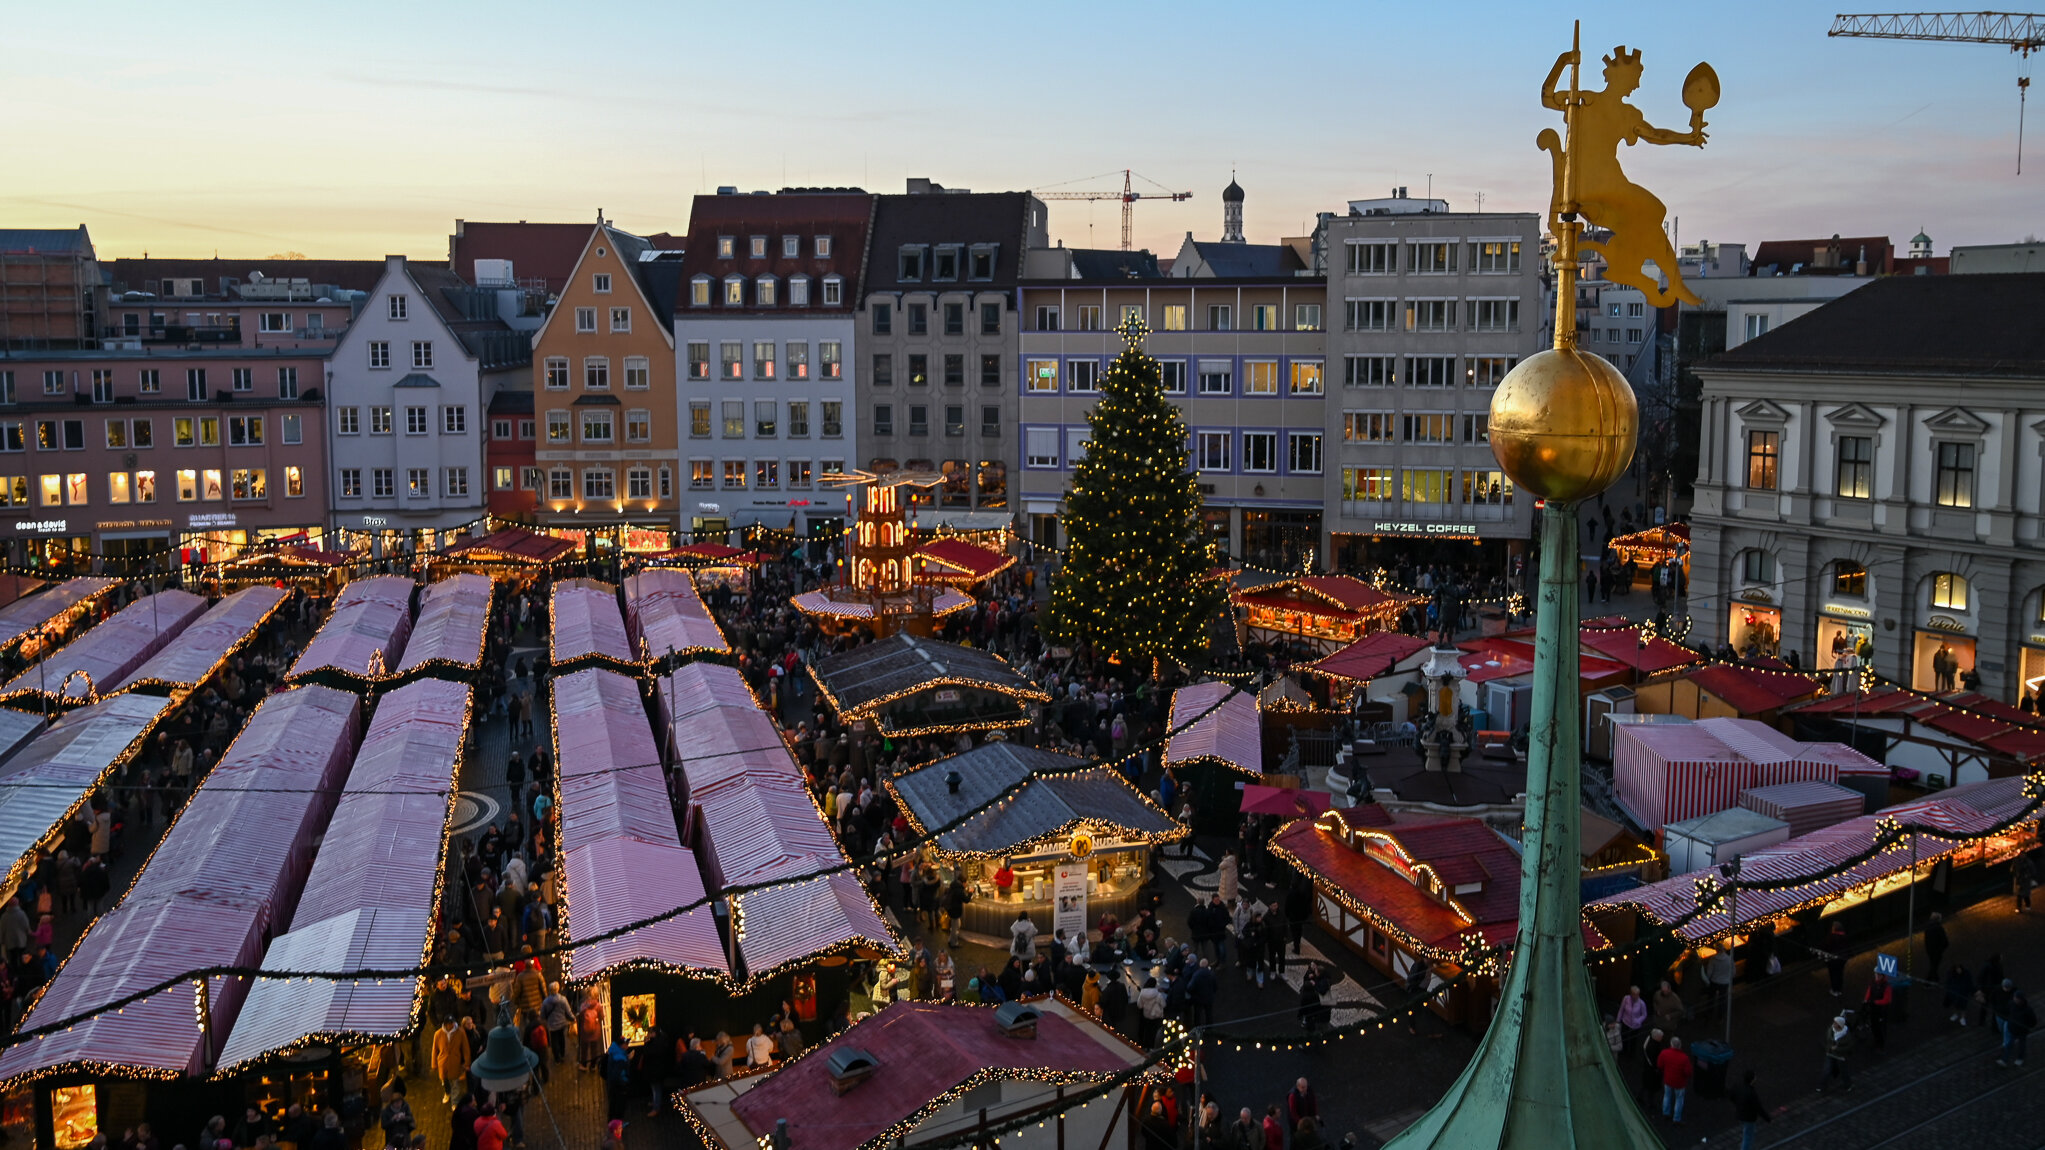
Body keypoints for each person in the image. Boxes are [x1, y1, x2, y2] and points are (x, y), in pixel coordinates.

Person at [1727, 1068, 1771, 1150]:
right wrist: (1768, 1119)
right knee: (1748, 1137)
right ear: (1752, 1080)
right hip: (1749, 1118)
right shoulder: (1751, 1093)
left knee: (1746, 1131)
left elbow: (1730, 1096)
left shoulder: (1737, 1085)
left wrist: (1737, 1103)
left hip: (1740, 1114)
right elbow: (1759, 1108)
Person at [431, 1017, 470, 1104]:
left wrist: (467, 1062)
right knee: (445, 1082)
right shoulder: (438, 1034)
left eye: (452, 1023)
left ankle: (455, 1101)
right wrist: (434, 1064)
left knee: (455, 1084)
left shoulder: (460, 1032)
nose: (451, 1025)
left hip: (455, 1062)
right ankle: (447, 1093)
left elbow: (465, 1048)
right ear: (445, 1024)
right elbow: (435, 1050)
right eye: (449, 1023)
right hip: (443, 1063)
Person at [1656, 1036, 1692, 1125]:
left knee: (1667, 1096)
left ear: (1671, 1044)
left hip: (1668, 1079)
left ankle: (1666, 1113)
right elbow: (1688, 1072)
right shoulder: (1684, 1058)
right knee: (1679, 1100)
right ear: (1680, 1045)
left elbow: (1660, 1065)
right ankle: (1676, 1118)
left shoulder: (1664, 1053)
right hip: (1680, 1082)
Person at [1997, 989, 2035, 1066]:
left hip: (2022, 1031)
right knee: (2009, 1045)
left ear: (2021, 999)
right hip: (2012, 1029)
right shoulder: (2011, 1004)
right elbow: (2006, 1011)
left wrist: (2026, 1026)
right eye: (2014, 997)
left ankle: (2020, 1058)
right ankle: (2004, 1060)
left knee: (2021, 1046)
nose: (2014, 999)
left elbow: (2033, 1021)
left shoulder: (2028, 1010)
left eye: (2016, 998)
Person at [1819, 1015, 1853, 1092]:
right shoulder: (1831, 1030)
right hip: (1831, 1054)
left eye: (1835, 1023)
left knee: (1844, 1071)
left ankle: (1848, 1085)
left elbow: (1848, 1047)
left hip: (1840, 1056)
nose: (1834, 1024)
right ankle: (1822, 1086)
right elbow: (1827, 1041)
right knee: (1826, 1070)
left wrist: (1837, 1048)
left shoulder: (1846, 1035)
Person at [1861, 972, 1893, 1049]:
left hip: (1881, 1010)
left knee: (1881, 1028)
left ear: (1883, 976)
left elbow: (1887, 1000)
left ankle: (1881, 1044)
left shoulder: (1886, 986)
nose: (1877, 976)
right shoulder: (1873, 983)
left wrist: (1875, 1002)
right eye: (1876, 974)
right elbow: (1869, 991)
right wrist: (1866, 1000)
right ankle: (1876, 1040)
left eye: (1879, 975)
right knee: (1874, 1025)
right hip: (1873, 1008)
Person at [1824, 922, 1849, 996]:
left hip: (1832, 960)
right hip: (1842, 959)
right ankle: (1839, 989)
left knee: (1833, 975)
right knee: (1840, 974)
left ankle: (1835, 990)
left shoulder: (1831, 938)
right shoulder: (1844, 936)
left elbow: (1826, 947)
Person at [1922, 911, 1948, 980]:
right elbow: (1944, 940)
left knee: (1933, 964)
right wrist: (1942, 948)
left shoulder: (1928, 928)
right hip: (1937, 950)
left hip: (1930, 950)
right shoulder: (1939, 928)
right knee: (1934, 965)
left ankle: (1935, 978)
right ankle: (1929, 980)